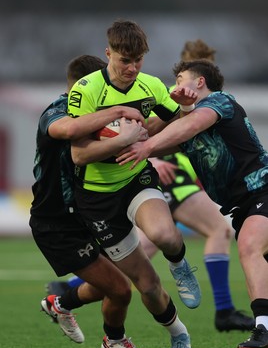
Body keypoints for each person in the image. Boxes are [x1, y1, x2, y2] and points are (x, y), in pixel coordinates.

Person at [49, 39, 254, 332]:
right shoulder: (192, 98)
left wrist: (149, 143)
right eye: (184, 77)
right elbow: (169, 131)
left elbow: (163, 126)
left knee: (163, 242)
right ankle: (69, 291)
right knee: (143, 258)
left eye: (138, 61)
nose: (132, 68)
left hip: (160, 173)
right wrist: (151, 153)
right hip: (157, 174)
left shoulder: (185, 98)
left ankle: (220, 307)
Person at [67, 19, 201, 348]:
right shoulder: (86, 90)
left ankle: (180, 264)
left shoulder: (152, 85)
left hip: (136, 180)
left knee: (166, 235)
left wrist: (185, 107)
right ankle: (179, 334)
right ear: (108, 53)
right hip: (97, 199)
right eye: (125, 60)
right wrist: (124, 140)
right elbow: (79, 154)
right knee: (147, 285)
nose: (132, 67)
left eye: (138, 60)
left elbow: (178, 125)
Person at [116, 59, 268, 348]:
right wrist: (123, 129)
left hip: (262, 187)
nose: (175, 85)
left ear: (200, 82)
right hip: (240, 205)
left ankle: (262, 328)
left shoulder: (220, 102)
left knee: (249, 246)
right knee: (255, 254)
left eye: (181, 78)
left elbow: (190, 126)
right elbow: (153, 136)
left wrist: (147, 147)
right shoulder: (185, 121)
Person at [29, 54, 148, 348]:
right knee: (120, 289)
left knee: (120, 281)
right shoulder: (57, 111)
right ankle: (114, 342)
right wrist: (118, 110)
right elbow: (67, 131)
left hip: (92, 212)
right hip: (57, 222)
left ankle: (61, 303)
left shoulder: (99, 114)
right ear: (87, 85)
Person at [144, 39, 254, 332]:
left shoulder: (211, 103)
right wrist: (151, 157)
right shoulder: (175, 99)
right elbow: (159, 134)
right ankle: (225, 310)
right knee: (218, 231)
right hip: (172, 179)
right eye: (204, 60)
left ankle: (71, 292)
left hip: (191, 181)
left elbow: (180, 134)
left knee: (143, 250)